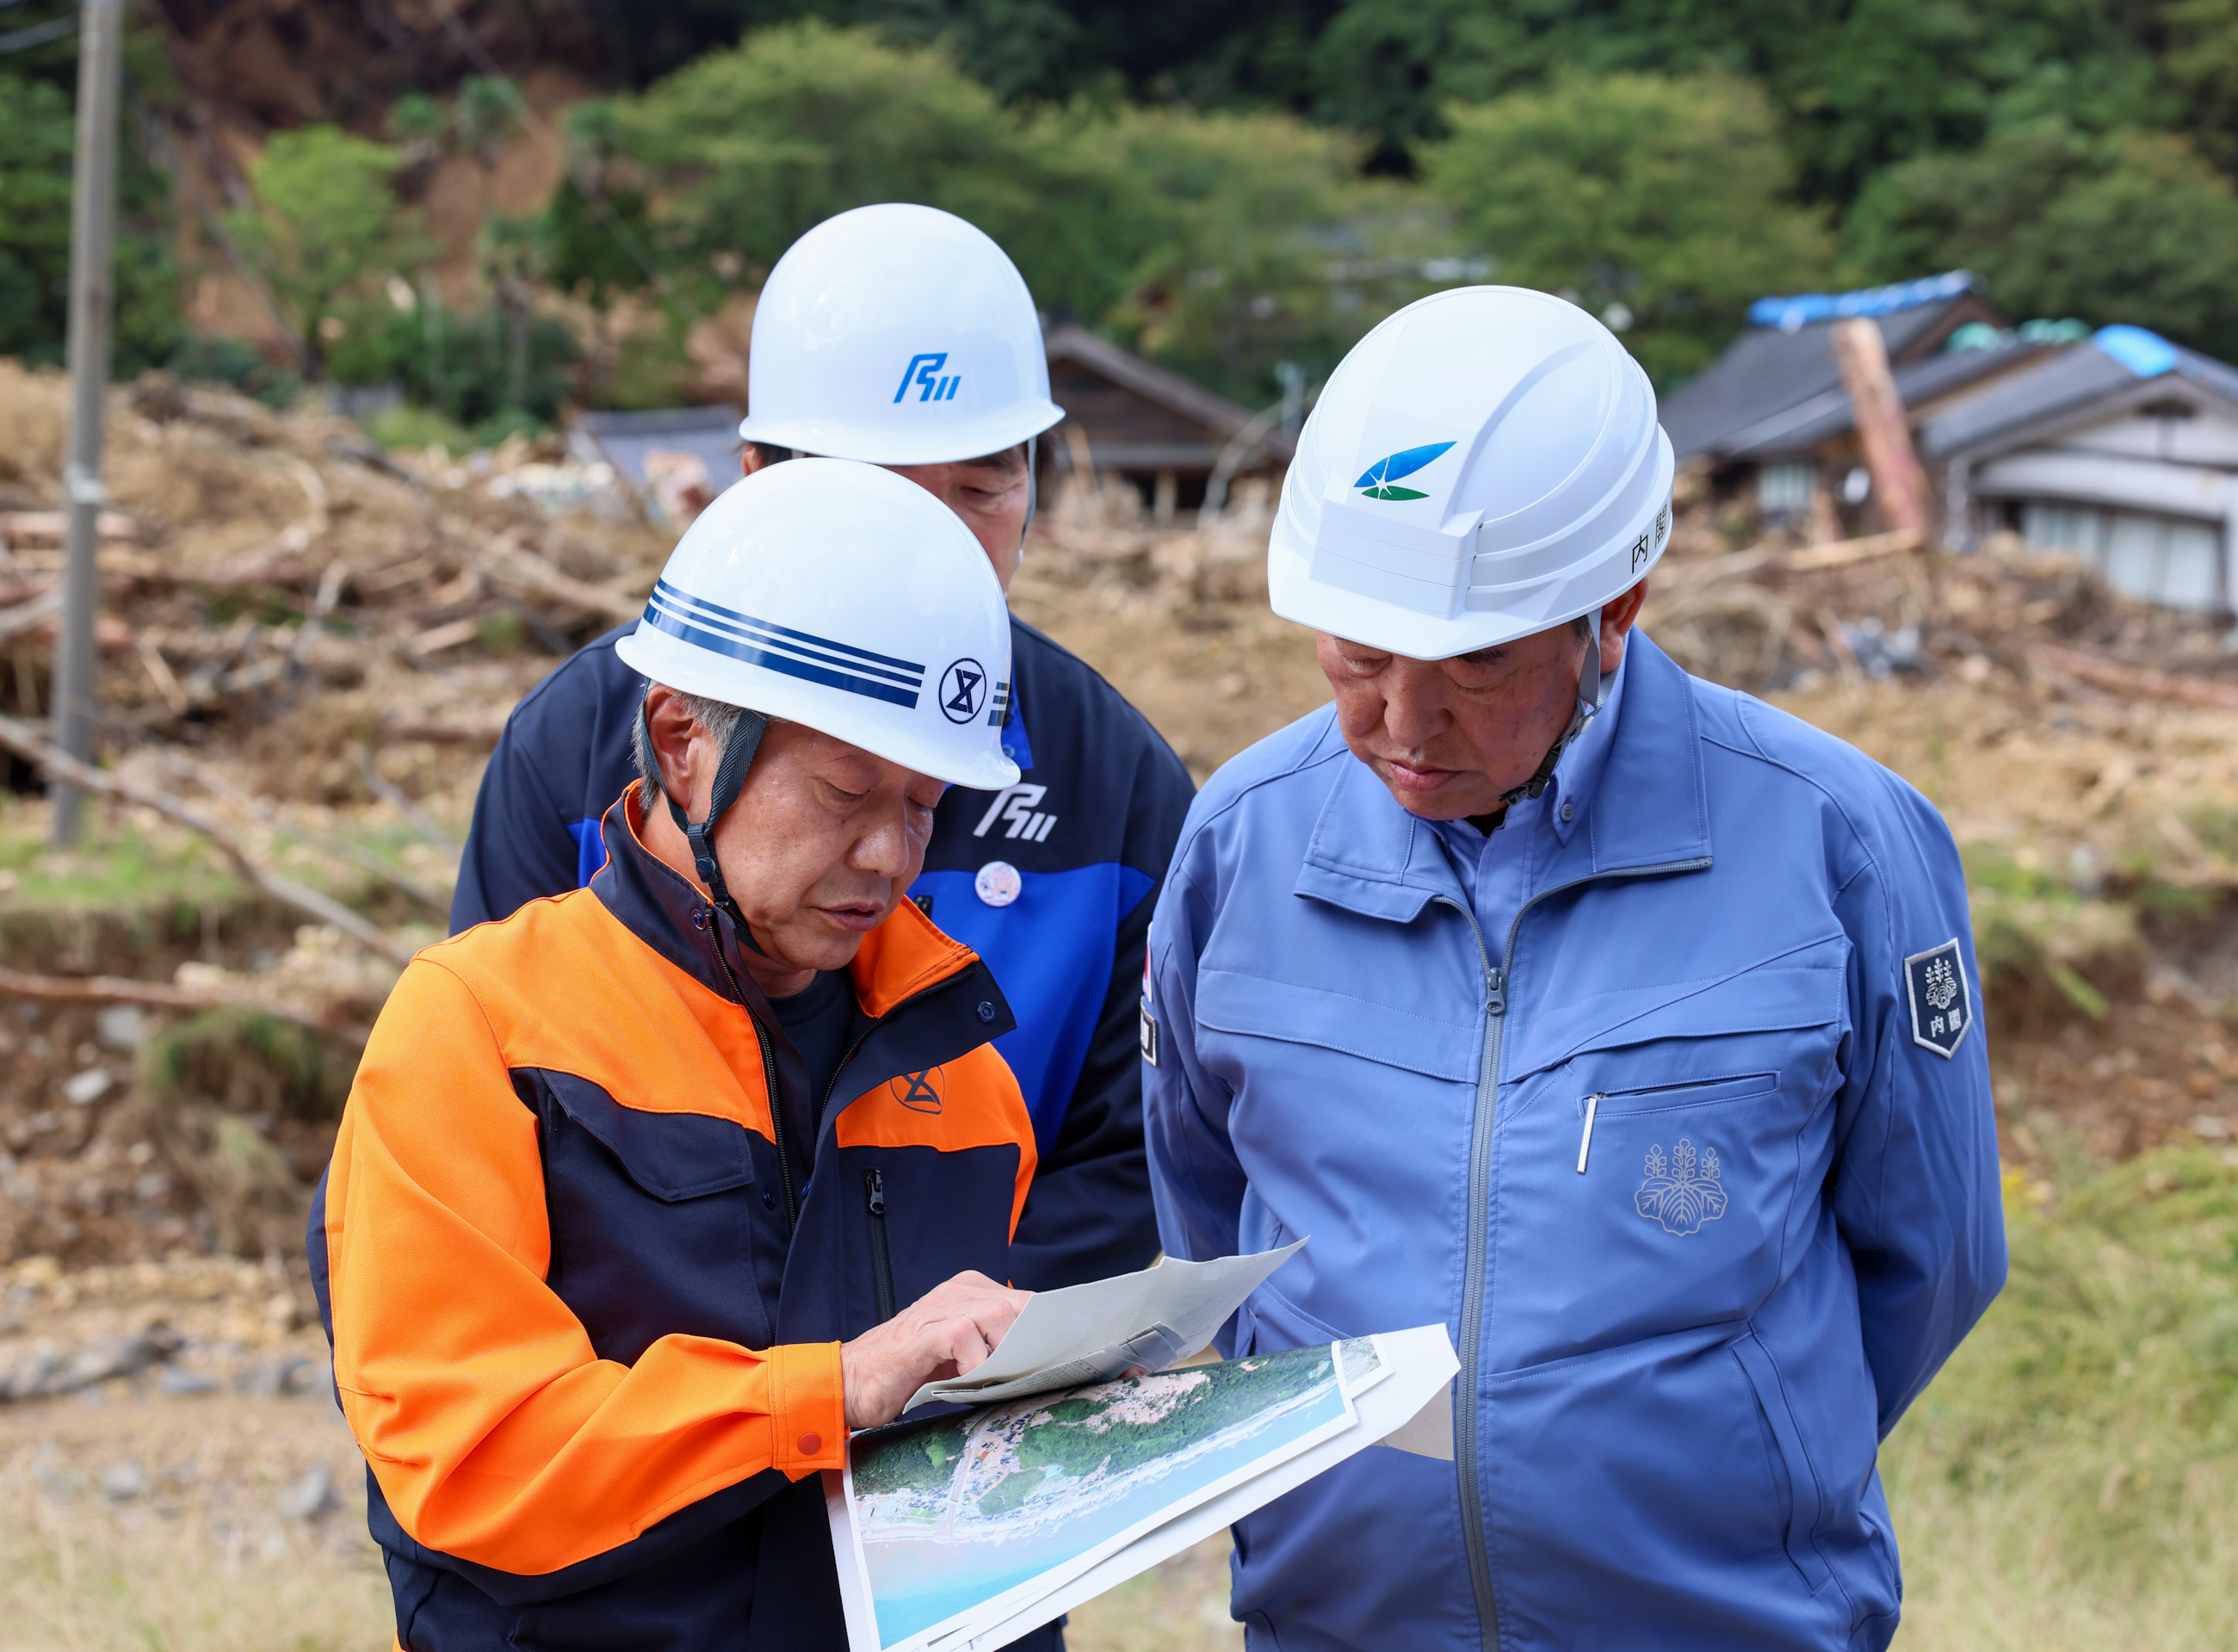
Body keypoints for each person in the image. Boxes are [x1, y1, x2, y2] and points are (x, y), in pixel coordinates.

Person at [1141, 288, 2006, 1650]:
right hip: (1336, 1623)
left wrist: (1710, 1455)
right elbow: (1203, 1209)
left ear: (1616, 605)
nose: (1403, 722)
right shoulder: (1243, 840)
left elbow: (1934, 1253)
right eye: (1359, 653)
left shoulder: (1837, 839)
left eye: (1475, 664)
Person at [312, 459, 1050, 1648]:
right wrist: (828, 1392)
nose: (887, 855)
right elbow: (471, 1457)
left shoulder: (964, 1073)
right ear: (682, 735)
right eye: (846, 789)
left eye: (921, 803)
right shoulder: (479, 1029)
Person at [452, 203, 1192, 1294]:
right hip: (662, 1406)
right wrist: (769, 1395)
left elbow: (1135, 1161)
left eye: (982, 487)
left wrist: (928, 1374)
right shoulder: (573, 748)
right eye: (875, 490)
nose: (934, 539)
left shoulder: (1108, 779)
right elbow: (489, 1134)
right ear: (755, 472)